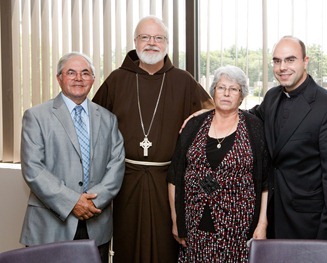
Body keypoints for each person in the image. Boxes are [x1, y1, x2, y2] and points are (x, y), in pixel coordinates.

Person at [92, 15, 214, 262]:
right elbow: (93, 125)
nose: (151, 43)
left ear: (167, 43)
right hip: (126, 181)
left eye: (158, 38)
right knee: (126, 245)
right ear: (135, 41)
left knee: (166, 248)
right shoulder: (117, 79)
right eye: (145, 37)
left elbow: (212, 117)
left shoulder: (183, 80)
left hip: (167, 181)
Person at [20, 52, 125, 263]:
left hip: (96, 223)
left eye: (85, 73)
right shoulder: (36, 116)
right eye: (71, 72)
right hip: (50, 225)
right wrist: (72, 202)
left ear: (93, 79)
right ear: (59, 78)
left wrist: (91, 203)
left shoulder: (108, 119)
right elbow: (33, 169)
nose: (79, 78)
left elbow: (117, 165)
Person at [253, 36, 327, 240]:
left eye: (290, 60)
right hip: (273, 220)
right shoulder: (272, 97)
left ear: (305, 61)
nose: (282, 67)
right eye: (277, 61)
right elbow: (247, 117)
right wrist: (207, 113)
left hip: (310, 227)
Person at [167, 65, 271, 262]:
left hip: (237, 226)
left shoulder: (254, 127)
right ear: (213, 90)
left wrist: (262, 223)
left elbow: (264, 181)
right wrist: (176, 220)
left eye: (234, 89)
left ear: (242, 96)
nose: (226, 93)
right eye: (221, 87)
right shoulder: (194, 124)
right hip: (194, 223)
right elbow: (174, 176)